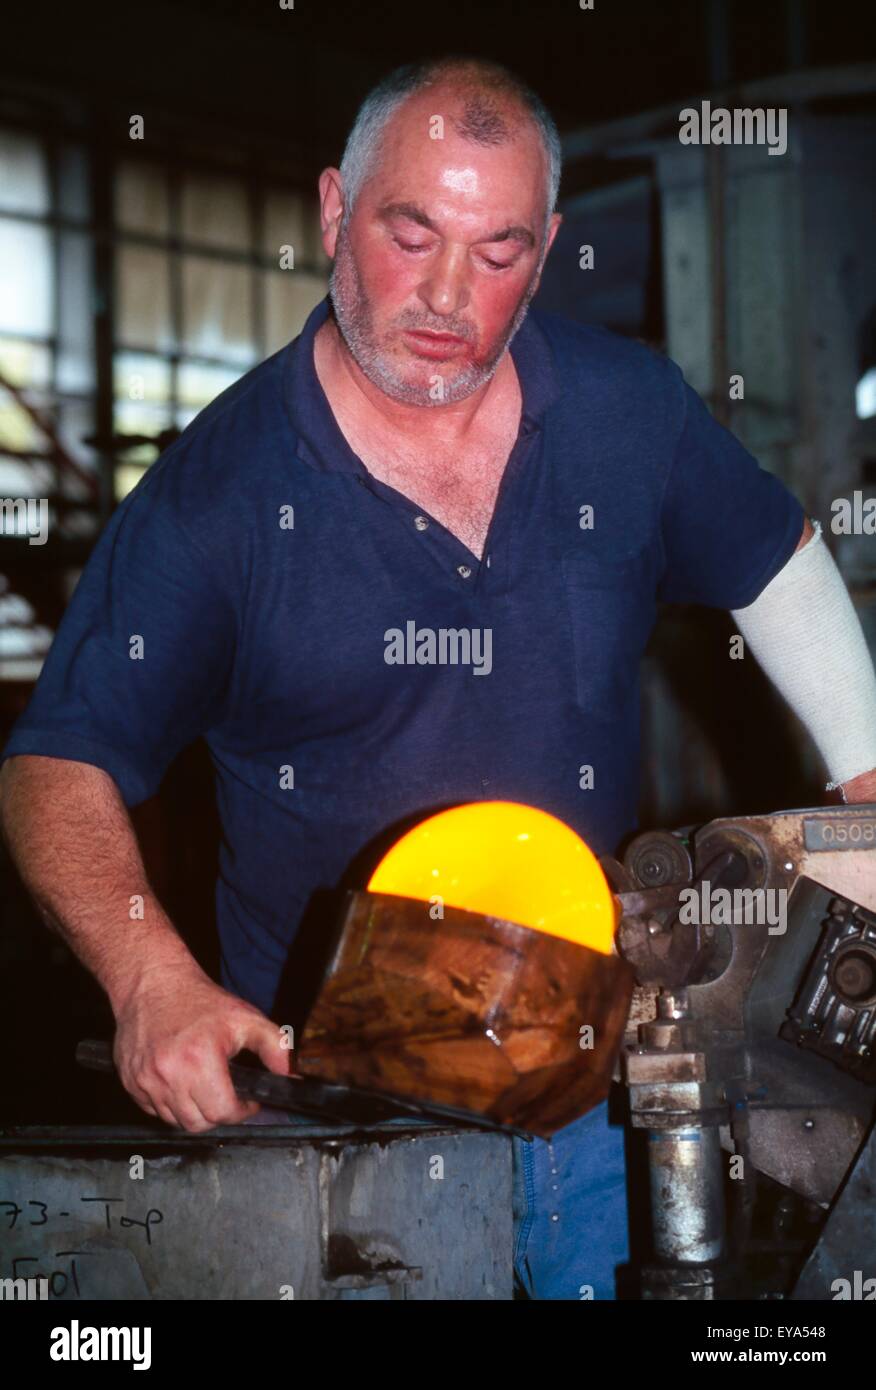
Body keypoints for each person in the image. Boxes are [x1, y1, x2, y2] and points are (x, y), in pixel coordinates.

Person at [2, 56, 876, 1301]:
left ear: (550, 244)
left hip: (593, 1080)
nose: (449, 295)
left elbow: (774, 556)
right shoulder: (222, 498)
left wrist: (869, 782)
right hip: (330, 1112)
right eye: (410, 234)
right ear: (332, 215)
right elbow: (56, 763)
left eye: (501, 249)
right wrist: (150, 975)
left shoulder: (625, 414)